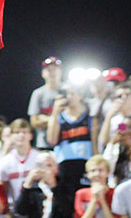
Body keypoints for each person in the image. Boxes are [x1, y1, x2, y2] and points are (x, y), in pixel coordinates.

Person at [47, 83, 97, 216]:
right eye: (66, 94)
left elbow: (95, 146)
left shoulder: (89, 118)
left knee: (84, 206)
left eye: (72, 93)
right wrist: (55, 113)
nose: (68, 97)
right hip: (65, 168)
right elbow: (51, 140)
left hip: (85, 166)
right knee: (66, 207)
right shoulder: (59, 118)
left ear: (80, 96)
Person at [0, 118, 38, 217]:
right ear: (11, 136)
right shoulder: (5, 161)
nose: (21, 135)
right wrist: (7, 212)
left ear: (31, 135)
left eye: (24, 132)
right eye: (17, 132)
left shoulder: (39, 157)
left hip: (38, 209)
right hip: (16, 211)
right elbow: (2, 189)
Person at [30, 57, 64, 151]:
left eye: (55, 69)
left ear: (60, 72)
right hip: (44, 144)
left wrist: (46, 119)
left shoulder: (68, 90)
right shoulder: (38, 93)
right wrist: (56, 120)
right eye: (49, 70)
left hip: (66, 141)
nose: (52, 73)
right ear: (43, 73)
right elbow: (34, 122)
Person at [15, 152, 61, 218]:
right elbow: (20, 211)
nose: (45, 169)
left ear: (56, 168)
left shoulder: (64, 185)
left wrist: (54, 187)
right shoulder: (32, 188)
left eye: (49, 165)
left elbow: (67, 210)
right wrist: (28, 183)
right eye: (41, 165)